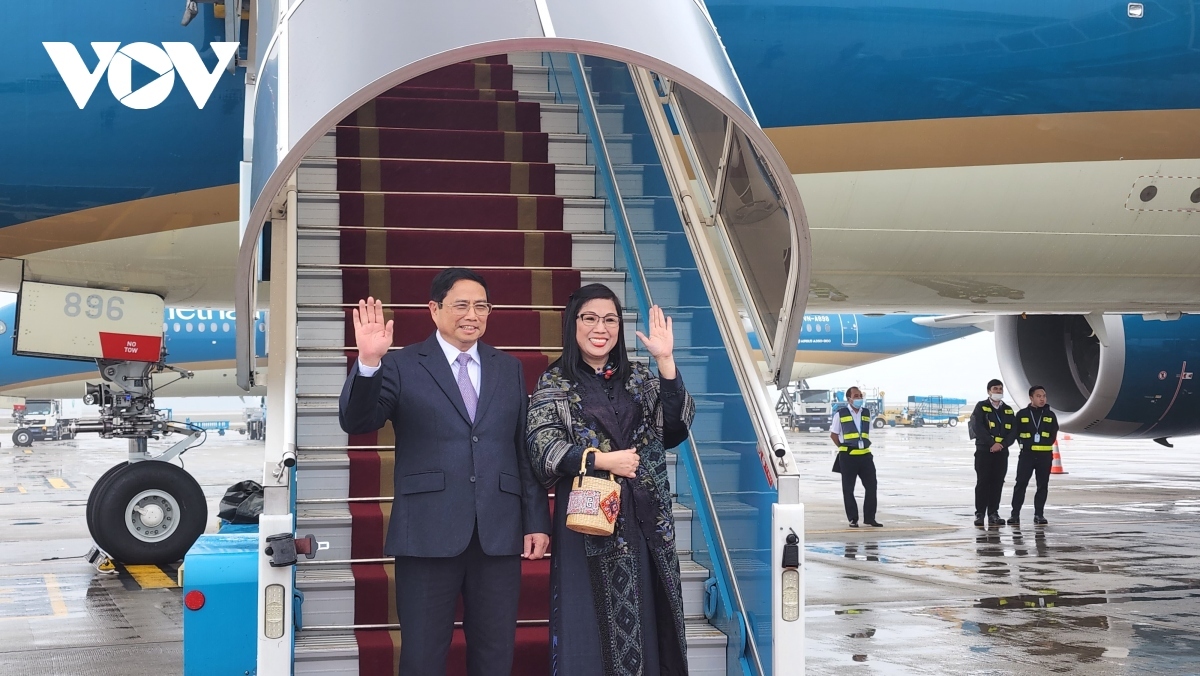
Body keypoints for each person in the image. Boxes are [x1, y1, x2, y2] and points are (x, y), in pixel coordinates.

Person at [338, 267, 551, 676]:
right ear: (434, 310)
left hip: (498, 532)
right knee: (422, 655)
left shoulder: (507, 368)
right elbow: (357, 421)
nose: (472, 314)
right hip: (426, 530)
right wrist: (368, 361)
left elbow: (521, 450)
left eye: (481, 306)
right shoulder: (401, 365)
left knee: (494, 654)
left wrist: (536, 520)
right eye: (461, 305)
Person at [526, 283, 693, 676]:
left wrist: (666, 361)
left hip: (646, 522)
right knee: (588, 626)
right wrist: (601, 459)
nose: (600, 327)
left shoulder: (639, 377)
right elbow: (541, 446)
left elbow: (676, 428)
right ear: (572, 325)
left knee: (654, 624)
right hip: (590, 526)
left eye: (610, 319)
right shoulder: (555, 383)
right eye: (589, 318)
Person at [829, 386, 882, 528]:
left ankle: (870, 518)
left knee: (872, 486)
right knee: (848, 489)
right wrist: (842, 448)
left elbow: (867, 431)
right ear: (849, 399)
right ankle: (853, 519)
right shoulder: (840, 414)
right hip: (848, 456)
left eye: (860, 396)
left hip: (865, 456)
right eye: (856, 396)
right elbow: (834, 434)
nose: (859, 398)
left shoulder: (866, 412)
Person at [969, 379, 1017, 527]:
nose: (998, 391)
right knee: (983, 482)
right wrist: (992, 443)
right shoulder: (981, 407)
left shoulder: (1008, 410)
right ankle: (980, 513)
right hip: (984, 451)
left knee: (997, 483)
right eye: (995, 389)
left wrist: (1001, 444)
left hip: (1001, 452)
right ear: (989, 391)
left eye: (1000, 389)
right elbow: (978, 427)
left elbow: (1013, 431)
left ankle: (993, 513)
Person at [1008, 385, 1058, 526]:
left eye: (1044, 396)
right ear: (1031, 398)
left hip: (1044, 456)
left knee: (1042, 485)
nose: (1042, 399)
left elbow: (1053, 433)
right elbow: (1016, 433)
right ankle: (1015, 514)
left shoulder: (1050, 415)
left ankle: (1039, 514)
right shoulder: (1022, 414)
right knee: (1021, 484)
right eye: (1038, 396)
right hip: (1027, 456)